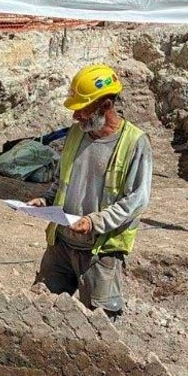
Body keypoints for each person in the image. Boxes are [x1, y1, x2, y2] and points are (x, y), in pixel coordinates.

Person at [27, 64, 152, 318]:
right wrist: (46, 200)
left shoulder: (134, 143)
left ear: (105, 105)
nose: (75, 116)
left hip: (100, 251)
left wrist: (95, 222)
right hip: (61, 245)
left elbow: (136, 200)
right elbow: (63, 179)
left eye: (82, 109)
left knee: (100, 322)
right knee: (40, 311)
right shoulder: (77, 133)